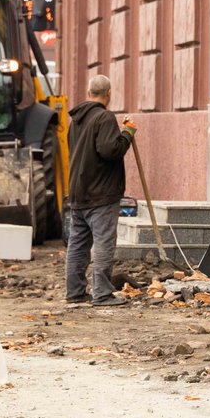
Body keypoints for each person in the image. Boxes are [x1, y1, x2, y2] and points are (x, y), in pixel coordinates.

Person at [64, 74, 136, 307]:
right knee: (104, 243)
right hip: (100, 194)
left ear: (88, 93)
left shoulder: (76, 120)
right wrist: (127, 133)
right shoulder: (104, 117)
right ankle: (102, 294)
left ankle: (75, 292)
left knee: (77, 245)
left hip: (79, 192)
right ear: (109, 94)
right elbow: (110, 150)